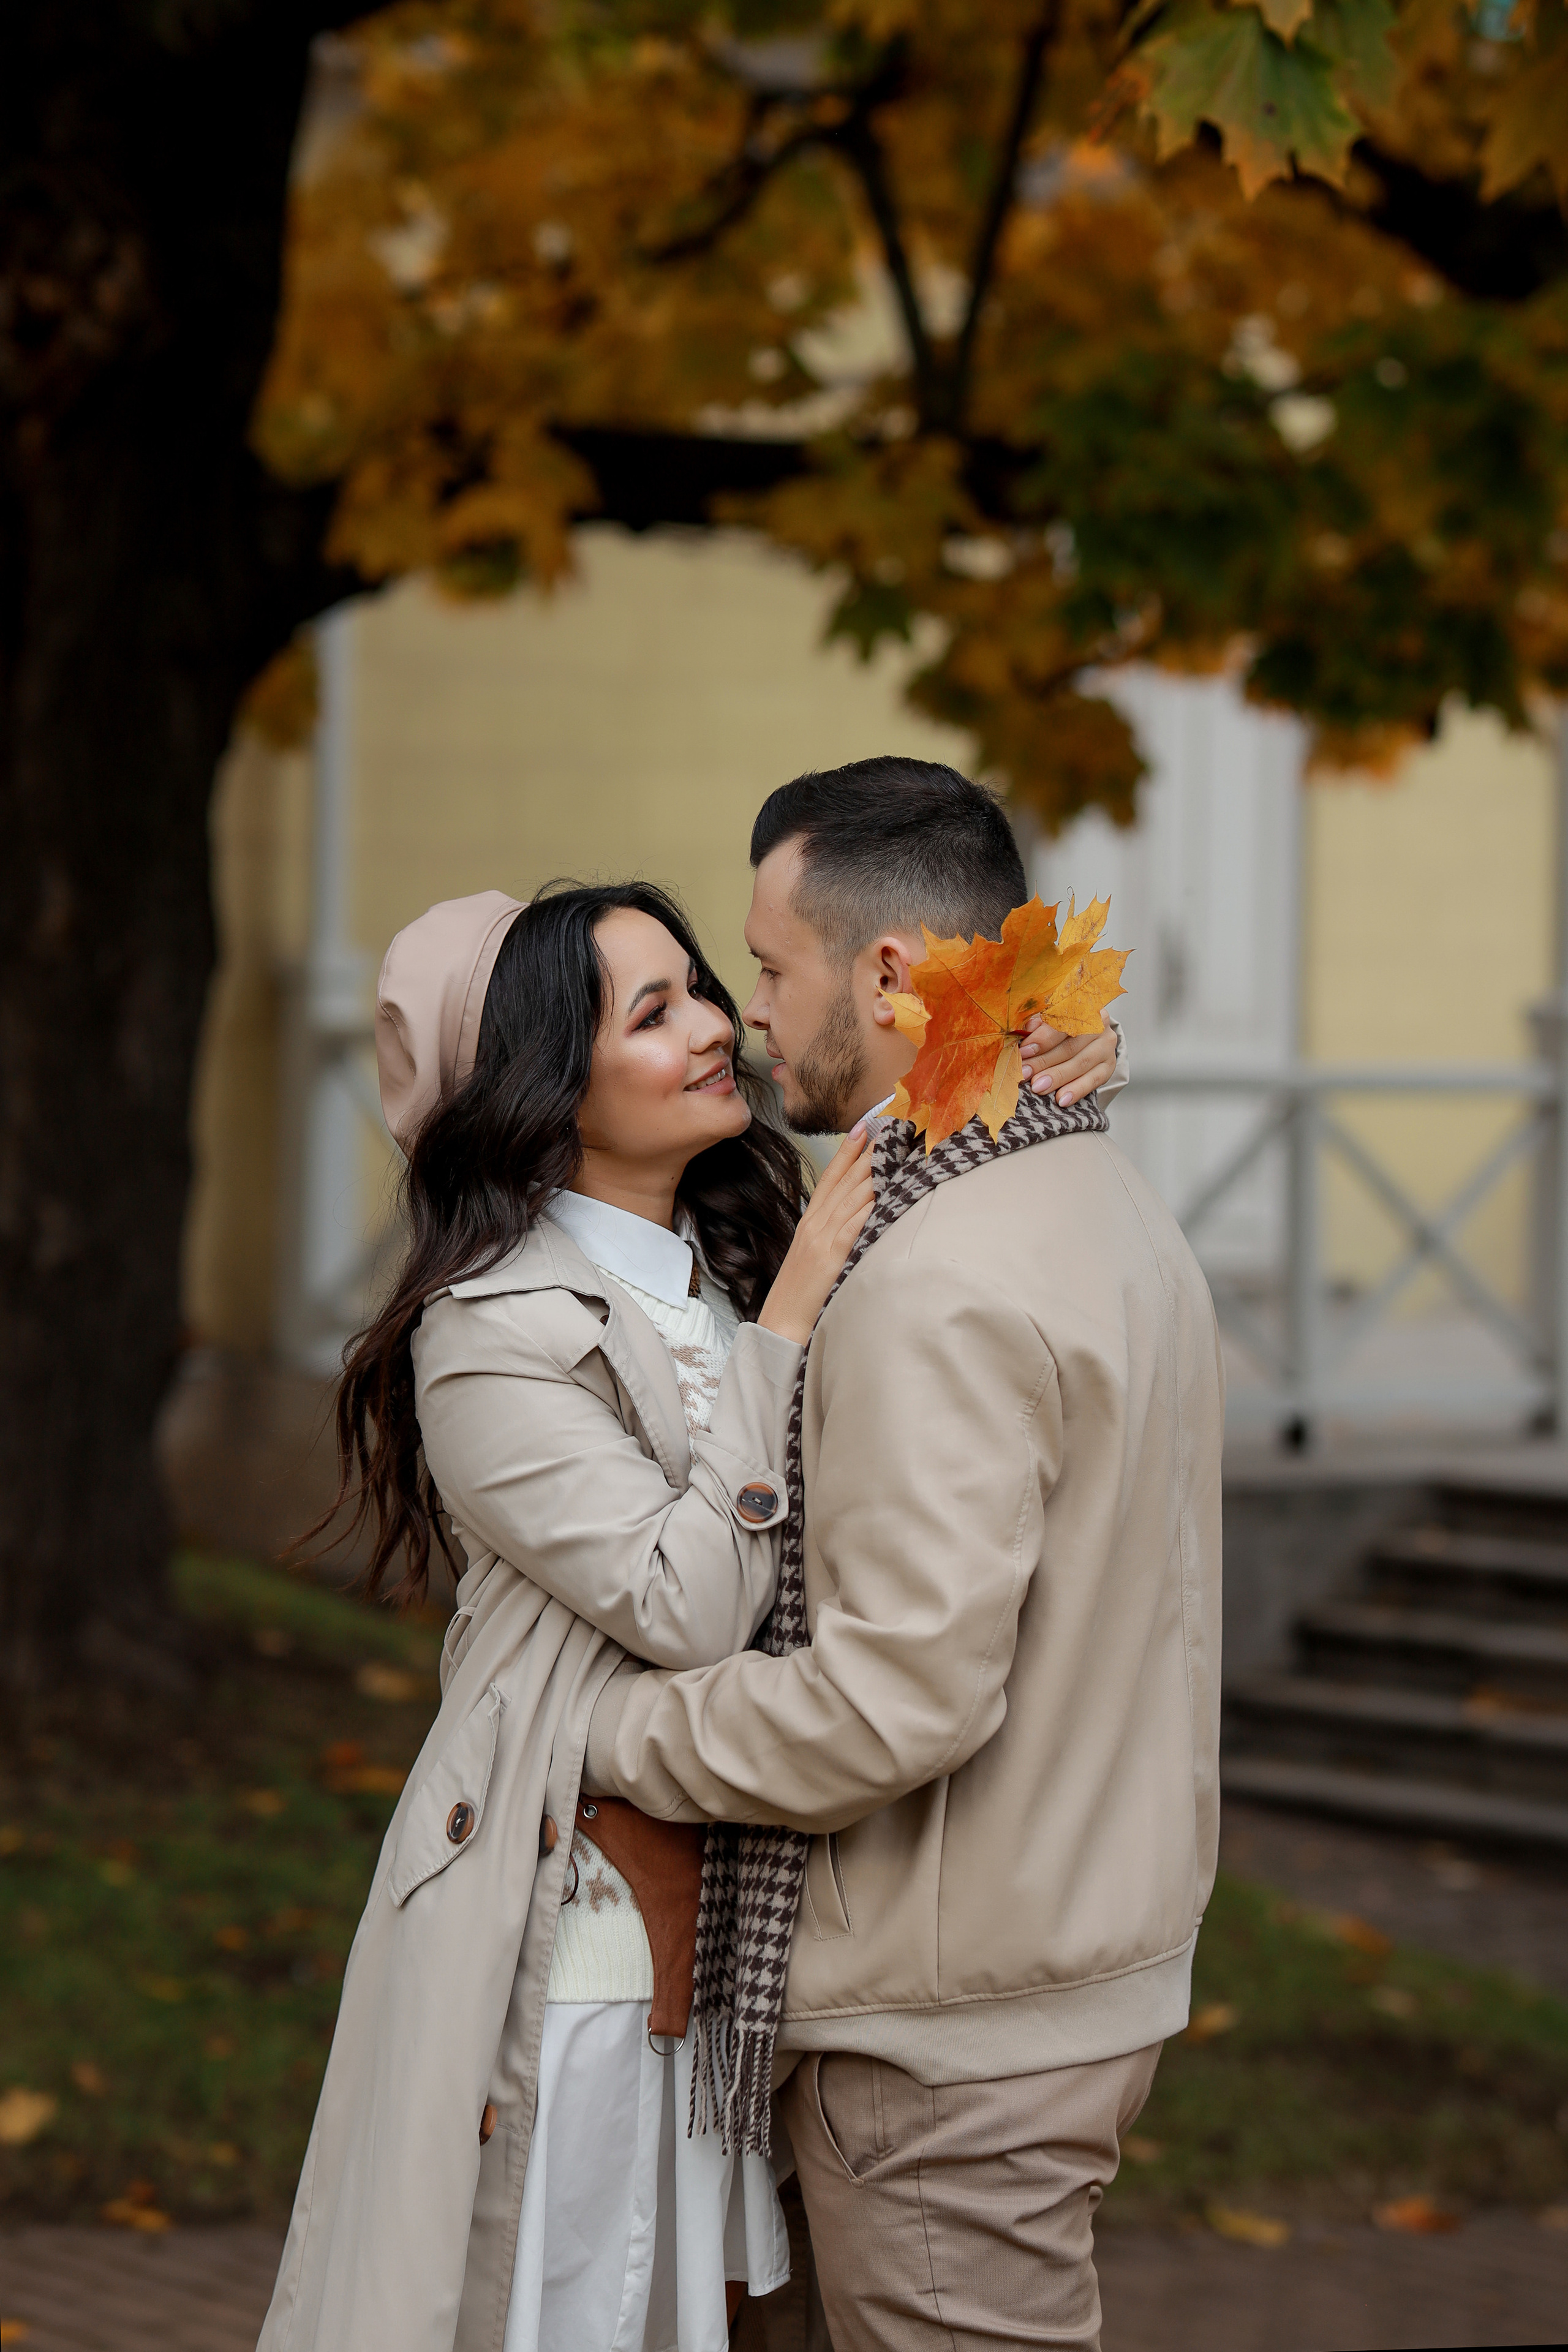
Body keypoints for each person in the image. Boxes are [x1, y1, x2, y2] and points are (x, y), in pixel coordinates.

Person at [255, 864, 1128, 2352]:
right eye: (652, 1014)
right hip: (582, 1940)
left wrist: (1064, 1054)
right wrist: (784, 1321)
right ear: (549, 1089)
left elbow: (954, 1132)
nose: (716, 1026)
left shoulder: (723, 1269)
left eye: (704, 989)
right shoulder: (490, 1343)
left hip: (737, 1948)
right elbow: (690, 1598)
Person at [582, 757, 1225, 2352]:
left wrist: (608, 1731)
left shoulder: (938, 1272)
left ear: (884, 972)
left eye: (770, 964)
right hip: (1046, 1973)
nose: (748, 1010)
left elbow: (891, 1705)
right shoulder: (1096, 1189)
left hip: (952, 2048)